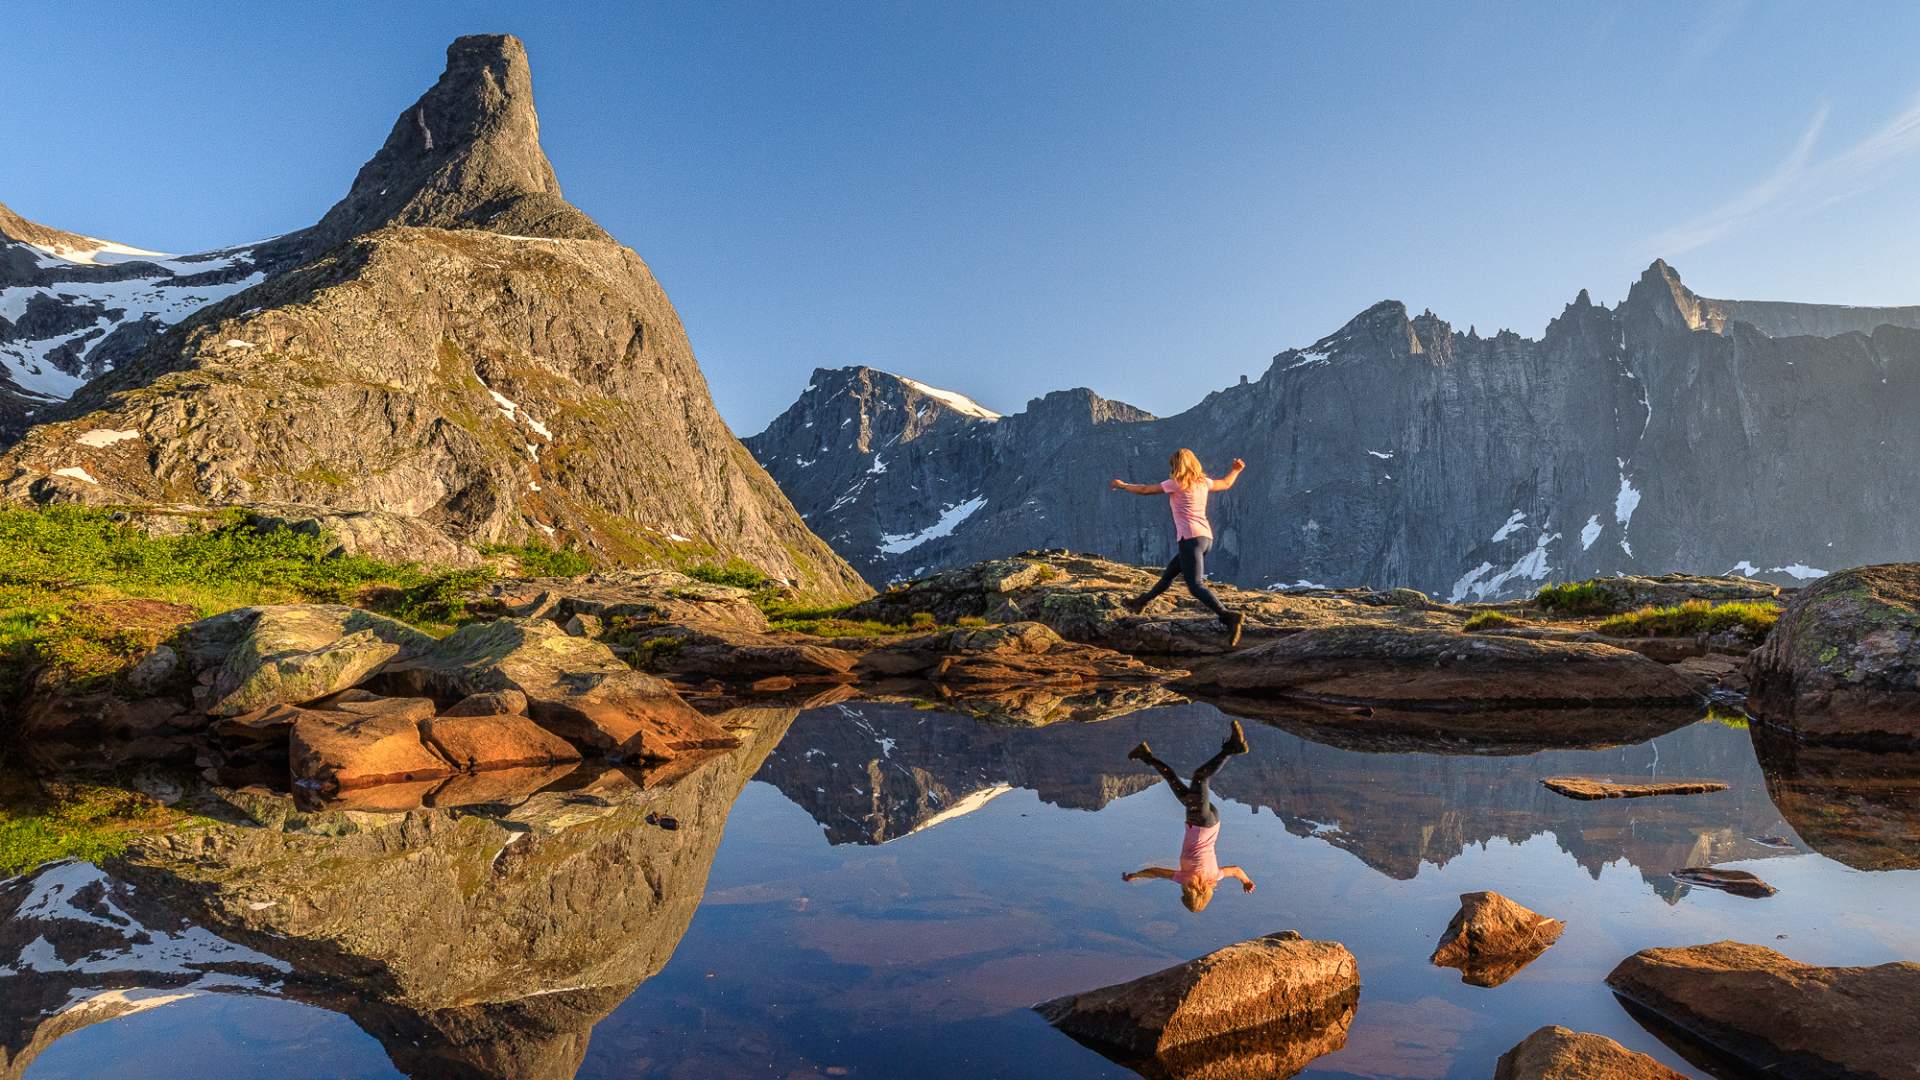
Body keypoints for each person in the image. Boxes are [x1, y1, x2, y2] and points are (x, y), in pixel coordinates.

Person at [1109, 448, 1247, 646]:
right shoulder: (1203, 483)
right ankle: (1140, 602)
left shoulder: (1176, 484)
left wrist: (1123, 485)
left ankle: (1227, 616)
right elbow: (1225, 483)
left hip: (1189, 538)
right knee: (1169, 575)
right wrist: (1236, 470)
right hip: (1205, 538)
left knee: (1195, 585)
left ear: (1177, 466)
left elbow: (1145, 490)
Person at [1122, 720, 1255, 912]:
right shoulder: (1184, 878)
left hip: (1212, 821)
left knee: (1173, 781)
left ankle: (1145, 755)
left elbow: (1235, 870)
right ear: (1188, 894)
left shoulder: (1214, 877)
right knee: (1200, 777)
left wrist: (1246, 881)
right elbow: (1156, 872)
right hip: (1199, 821)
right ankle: (1233, 749)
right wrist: (1135, 876)